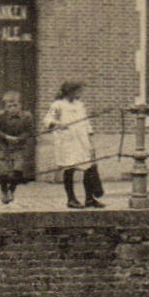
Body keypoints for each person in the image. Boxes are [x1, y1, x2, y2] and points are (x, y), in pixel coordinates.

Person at [43, 80, 103, 208]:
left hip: (82, 141)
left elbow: (86, 124)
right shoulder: (58, 105)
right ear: (70, 91)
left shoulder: (80, 104)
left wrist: (91, 141)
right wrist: (59, 124)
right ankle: (71, 199)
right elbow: (48, 120)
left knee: (88, 168)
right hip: (67, 142)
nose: (81, 93)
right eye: (79, 90)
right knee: (69, 169)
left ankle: (89, 198)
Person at [0, 90, 35, 204]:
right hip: (1, 145)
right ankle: (4, 190)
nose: (12, 108)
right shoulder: (0, 115)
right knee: (3, 172)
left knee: (18, 170)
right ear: (5, 106)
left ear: (20, 105)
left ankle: (12, 190)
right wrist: (6, 137)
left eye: (15, 105)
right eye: (9, 106)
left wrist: (19, 138)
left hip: (18, 146)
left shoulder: (27, 116)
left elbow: (29, 131)